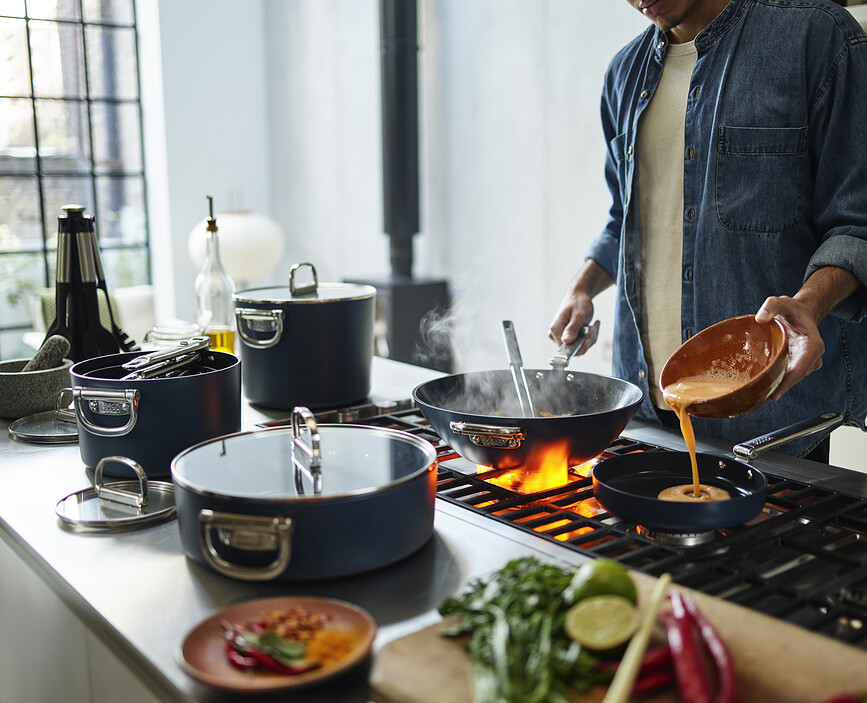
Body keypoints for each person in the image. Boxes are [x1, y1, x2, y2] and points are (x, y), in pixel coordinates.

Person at [548, 0, 867, 459]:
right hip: (643, 412)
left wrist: (809, 305)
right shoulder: (624, 74)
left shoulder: (815, 38)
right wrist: (581, 287)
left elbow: (856, 220)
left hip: (768, 419)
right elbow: (626, 217)